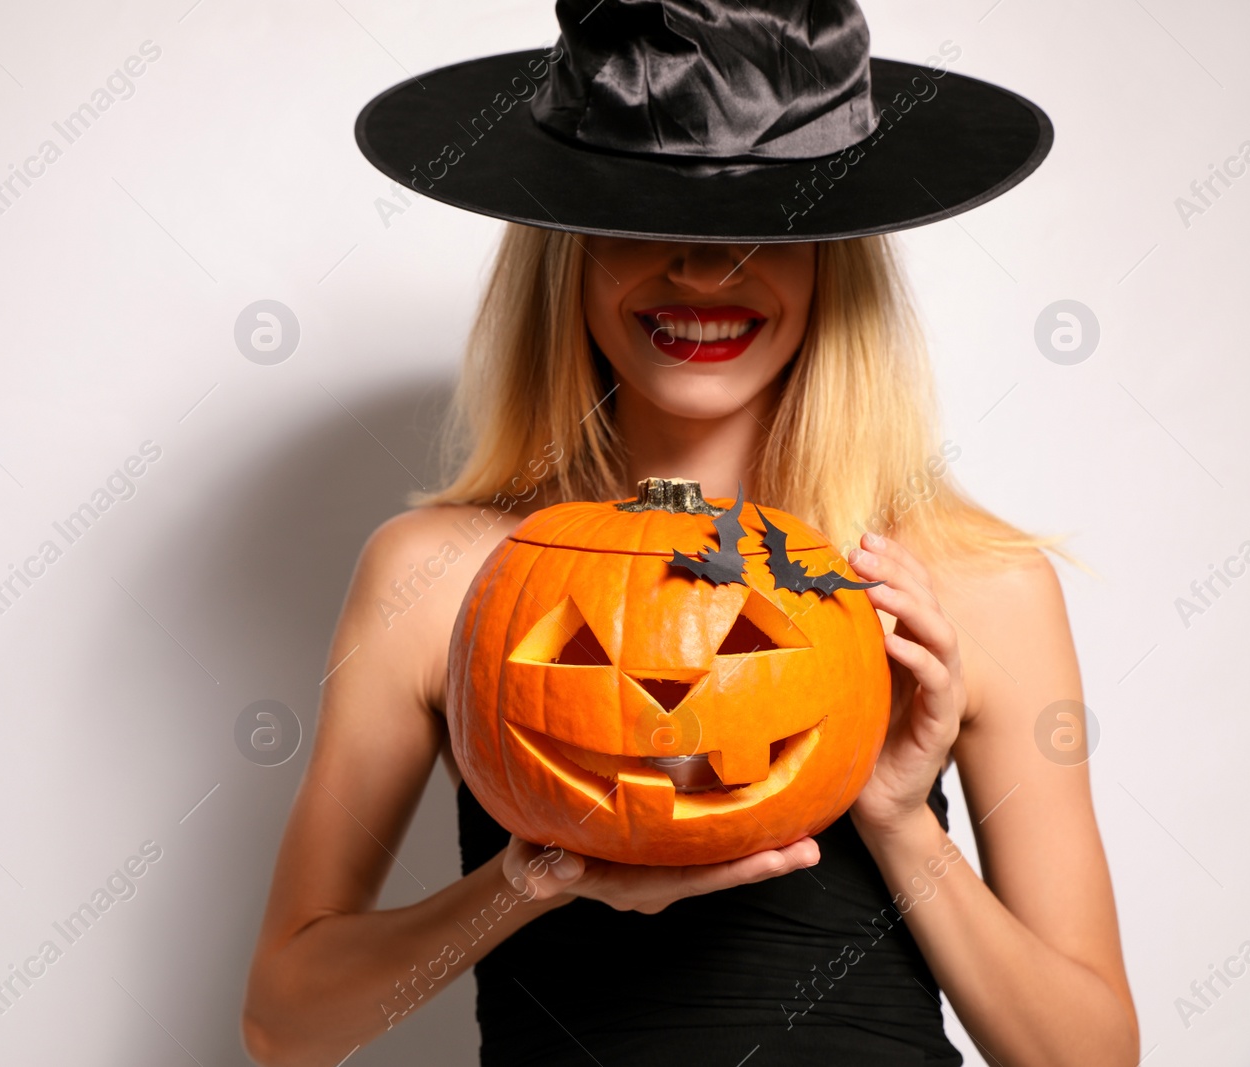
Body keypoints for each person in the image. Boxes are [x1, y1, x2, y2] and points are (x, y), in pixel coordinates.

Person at [244, 2, 1138, 1064]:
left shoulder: (970, 584)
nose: (704, 273)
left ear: (828, 259)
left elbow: (1088, 1056)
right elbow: (285, 1023)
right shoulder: (439, 575)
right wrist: (529, 882)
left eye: (764, 225)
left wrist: (900, 821)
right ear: (566, 251)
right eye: (638, 217)